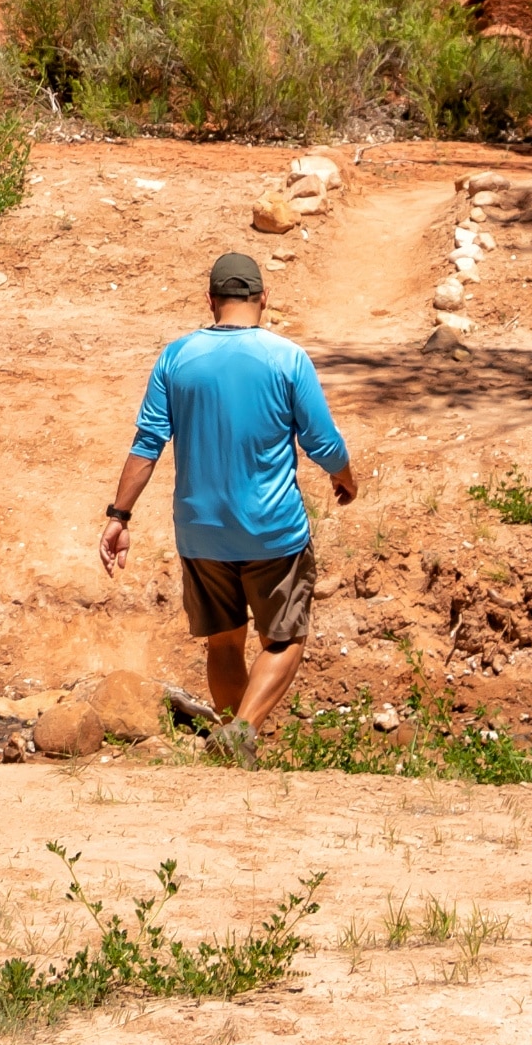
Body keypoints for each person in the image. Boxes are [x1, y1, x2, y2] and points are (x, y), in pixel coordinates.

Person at [96, 250, 356, 761]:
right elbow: (323, 443)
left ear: (211, 300)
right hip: (273, 532)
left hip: (201, 532)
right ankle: (242, 733)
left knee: (223, 641)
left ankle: (237, 749)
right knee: (284, 639)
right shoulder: (286, 358)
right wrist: (345, 477)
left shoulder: (176, 357)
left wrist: (118, 516)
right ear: (263, 298)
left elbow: (148, 443)